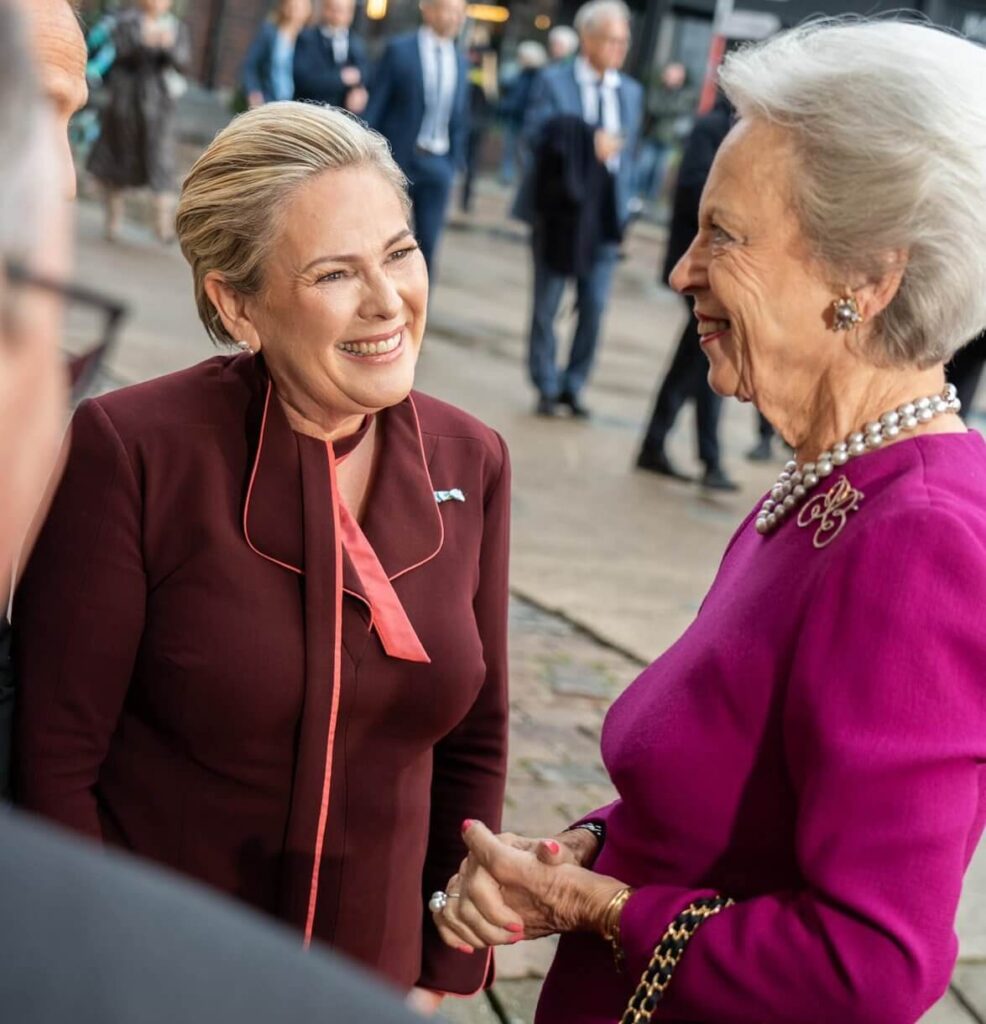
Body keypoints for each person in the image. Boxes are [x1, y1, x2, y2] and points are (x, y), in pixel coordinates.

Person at [433, 20, 986, 1024]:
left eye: (720, 235)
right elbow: (719, 797)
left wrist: (591, 905)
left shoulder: (919, 538)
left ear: (864, 277)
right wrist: (577, 854)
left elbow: (868, 967)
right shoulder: (826, 482)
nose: (680, 271)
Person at [15, 101, 510, 1015]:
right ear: (237, 304)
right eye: (334, 272)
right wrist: (91, 970)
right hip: (160, 979)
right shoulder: (133, 448)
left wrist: (440, 971)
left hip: (370, 987)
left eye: (399, 253)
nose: (387, 301)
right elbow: (53, 756)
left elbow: (476, 739)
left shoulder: (472, 458)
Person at [513, 0, 643, 418]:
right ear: (587, 40)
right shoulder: (553, 82)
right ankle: (546, 384)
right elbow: (535, 136)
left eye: (624, 41)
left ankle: (574, 384)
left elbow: (632, 155)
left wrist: (628, 207)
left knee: (595, 304)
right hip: (561, 212)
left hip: (604, 215)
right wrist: (589, 145)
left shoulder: (631, 92)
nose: (619, 49)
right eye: (611, 40)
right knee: (547, 304)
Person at [635, 91, 737, 490]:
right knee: (710, 358)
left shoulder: (734, 129)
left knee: (699, 361)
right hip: (701, 269)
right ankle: (706, 458)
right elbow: (693, 189)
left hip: (719, 271)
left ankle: (660, 444)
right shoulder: (713, 129)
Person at [365, 0, 469, 278]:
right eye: (450, 10)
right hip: (398, 160)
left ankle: (417, 315)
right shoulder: (399, 51)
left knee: (428, 246)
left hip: (439, 164)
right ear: (430, 9)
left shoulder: (460, 60)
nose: (456, 18)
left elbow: (459, 116)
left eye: (460, 13)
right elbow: (376, 107)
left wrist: (454, 164)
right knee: (386, 240)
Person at [86, 0, 190, 244]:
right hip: (126, 103)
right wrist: (145, 42)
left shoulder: (176, 27)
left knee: (160, 162)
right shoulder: (126, 21)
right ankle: (112, 220)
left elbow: (183, 61)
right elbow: (119, 54)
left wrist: (166, 47)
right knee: (117, 159)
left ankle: (162, 225)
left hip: (158, 106)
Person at [292, 0, 369, 114]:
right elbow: (303, 79)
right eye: (334, 9)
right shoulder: (307, 39)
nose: (337, 15)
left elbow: (366, 73)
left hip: (343, 115)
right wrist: (341, 78)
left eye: (342, 10)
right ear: (325, 9)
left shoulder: (356, 43)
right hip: (310, 112)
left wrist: (360, 89)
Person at [241, 0, 312, 108]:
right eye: (292, 5)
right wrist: (253, 92)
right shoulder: (270, 32)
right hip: (269, 99)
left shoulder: (310, 39)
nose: (294, 10)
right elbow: (250, 65)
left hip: (296, 104)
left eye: (299, 7)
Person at [498, 40, 547, 186]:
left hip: (526, 119)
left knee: (524, 151)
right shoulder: (519, 73)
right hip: (514, 117)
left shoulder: (538, 76)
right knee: (509, 149)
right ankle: (507, 176)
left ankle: (527, 180)